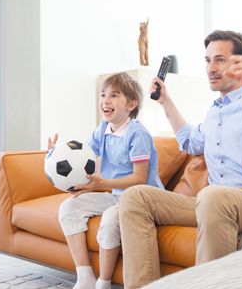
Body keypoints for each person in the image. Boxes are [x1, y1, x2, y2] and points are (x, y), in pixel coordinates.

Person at [119, 30, 242, 288]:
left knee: (213, 195)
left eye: (220, 60)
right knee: (136, 197)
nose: (210, 68)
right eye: (207, 60)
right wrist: (166, 101)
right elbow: (189, 142)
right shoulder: (214, 113)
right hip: (215, 203)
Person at [50, 72, 164, 289]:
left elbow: (139, 178)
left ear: (131, 104)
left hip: (142, 200)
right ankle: (84, 277)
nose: (105, 100)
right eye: (103, 95)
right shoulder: (102, 129)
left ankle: (104, 281)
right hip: (117, 196)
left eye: (114, 95)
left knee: (110, 219)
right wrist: (55, 154)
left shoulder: (138, 134)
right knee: (69, 208)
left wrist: (101, 184)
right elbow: (81, 157)